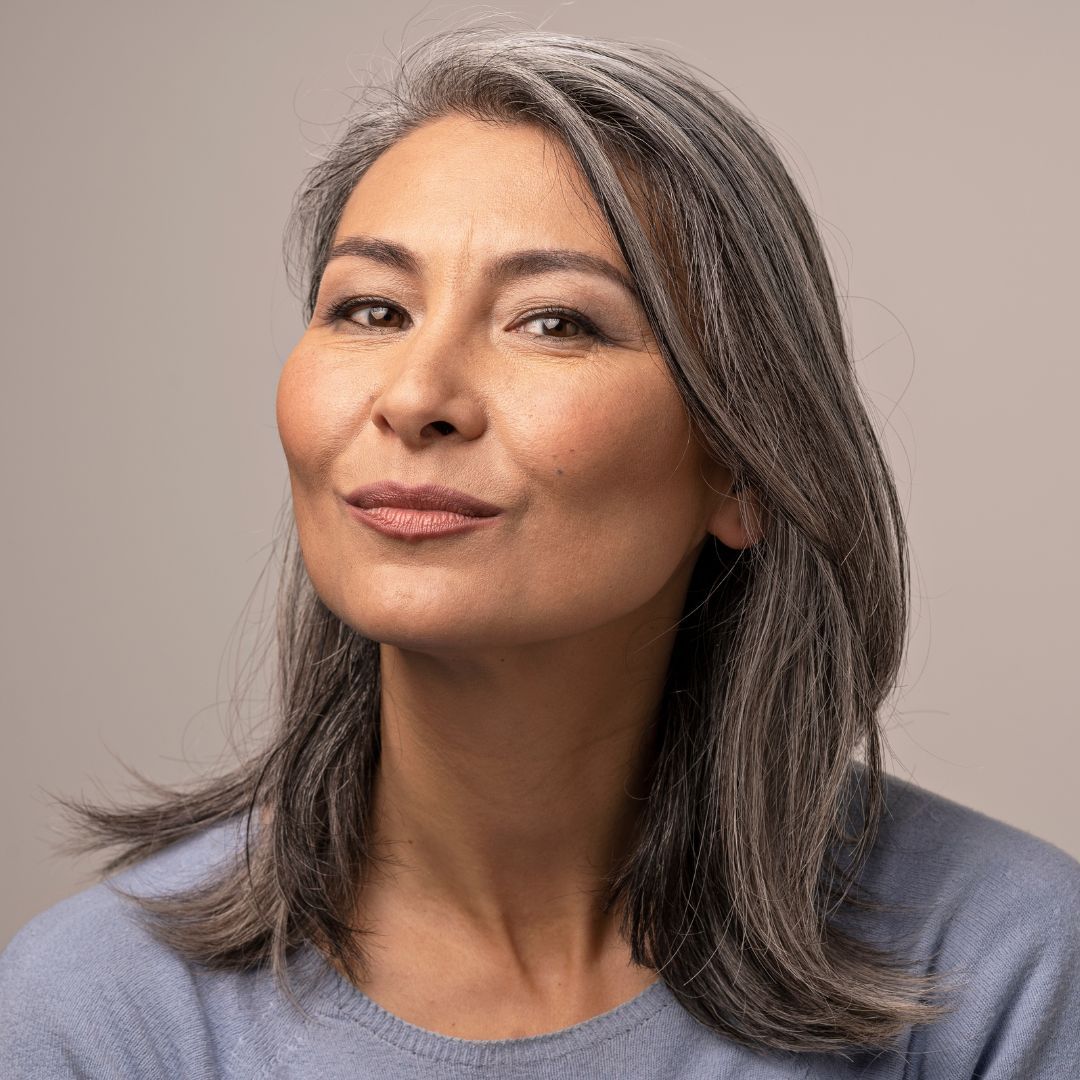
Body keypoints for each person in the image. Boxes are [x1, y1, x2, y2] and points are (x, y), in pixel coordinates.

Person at [2, 23, 1078, 1079]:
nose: (416, 397)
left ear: (744, 464)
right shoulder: (92, 1018)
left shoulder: (1005, 973)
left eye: (554, 323)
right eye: (372, 309)